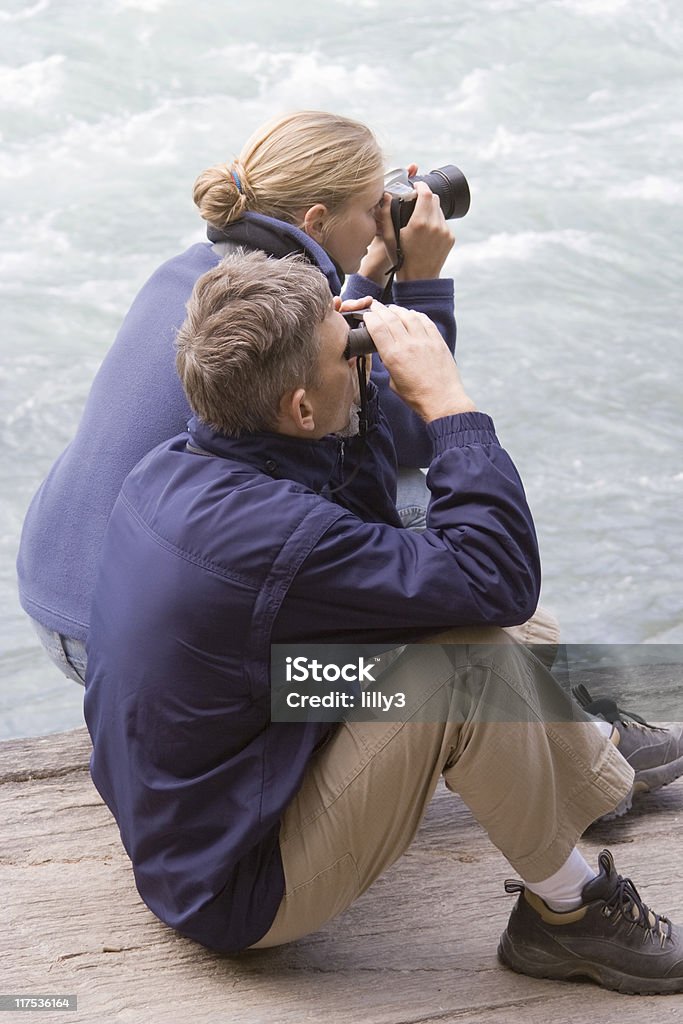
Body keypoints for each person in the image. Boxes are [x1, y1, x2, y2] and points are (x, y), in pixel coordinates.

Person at [84, 252, 683, 994]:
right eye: (348, 353)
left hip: (230, 770)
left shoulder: (180, 466)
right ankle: (566, 914)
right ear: (301, 410)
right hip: (237, 881)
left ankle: (598, 759)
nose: (361, 351)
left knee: (523, 631)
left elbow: (395, 551)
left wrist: (359, 379)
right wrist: (448, 404)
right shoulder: (271, 538)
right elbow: (495, 578)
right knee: (472, 669)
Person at [16, 109, 460, 684]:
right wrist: (422, 284)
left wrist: (368, 282)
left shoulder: (195, 276)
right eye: (372, 207)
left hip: (62, 594)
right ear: (317, 219)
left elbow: (354, 395)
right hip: (129, 642)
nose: (381, 221)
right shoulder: (284, 327)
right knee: (425, 513)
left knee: (387, 509)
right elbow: (417, 428)